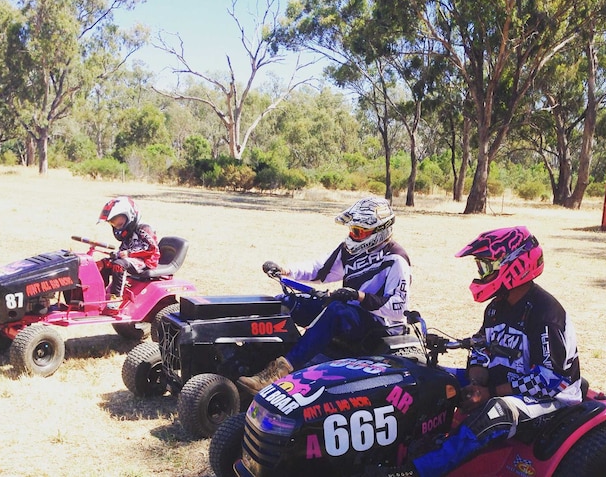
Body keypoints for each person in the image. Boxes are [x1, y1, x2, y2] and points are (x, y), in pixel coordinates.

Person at [381, 226, 581, 477]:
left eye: (486, 267)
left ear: (514, 265)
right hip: (504, 384)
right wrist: (476, 382)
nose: (481, 274)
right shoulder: (497, 307)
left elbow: (551, 381)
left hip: (551, 401)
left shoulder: (545, 314)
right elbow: (481, 349)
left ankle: (417, 471)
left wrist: (490, 393)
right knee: (429, 377)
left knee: (495, 412)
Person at [237, 196, 411, 393]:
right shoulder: (350, 250)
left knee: (335, 311)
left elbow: (399, 309)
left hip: (378, 325)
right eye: (352, 230)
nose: (352, 235)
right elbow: (321, 270)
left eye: (358, 231)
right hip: (348, 310)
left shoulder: (396, 259)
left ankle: (279, 372)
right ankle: (251, 358)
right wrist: (286, 270)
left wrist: (358, 296)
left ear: (379, 231)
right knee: (285, 303)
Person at [96, 196, 160, 309]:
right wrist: (116, 255)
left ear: (130, 217)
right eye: (114, 225)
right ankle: (99, 294)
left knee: (119, 265)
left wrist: (129, 254)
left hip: (146, 262)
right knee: (104, 263)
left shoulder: (144, 229)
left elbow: (152, 248)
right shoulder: (128, 233)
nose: (117, 228)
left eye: (119, 225)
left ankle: (115, 298)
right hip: (131, 259)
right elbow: (123, 248)